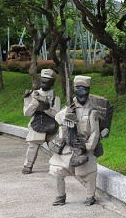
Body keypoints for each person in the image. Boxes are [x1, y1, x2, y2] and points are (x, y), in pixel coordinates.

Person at [48, 75, 100, 206]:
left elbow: (95, 132)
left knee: (88, 173)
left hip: (84, 145)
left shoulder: (92, 110)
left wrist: (87, 146)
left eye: (84, 89)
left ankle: (90, 196)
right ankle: (60, 196)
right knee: (58, 171)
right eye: (78, 89)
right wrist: (67, 113)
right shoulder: (70, 106)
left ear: (88, 90)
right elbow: (58, 119)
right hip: (67, 146)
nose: (81, 92)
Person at [22, 69, 61, 174]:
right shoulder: (33, 94)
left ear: (52, 83)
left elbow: (57, 115)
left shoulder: (55, 98)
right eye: (42, 81)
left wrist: (47, 108)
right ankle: (28, 165)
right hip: (37, 123)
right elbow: (26, 113)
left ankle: (59, 166)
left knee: (56, 147)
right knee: (32, 146)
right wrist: (34, 102)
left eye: (47, 82)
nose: (44, 84)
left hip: (51, 125)